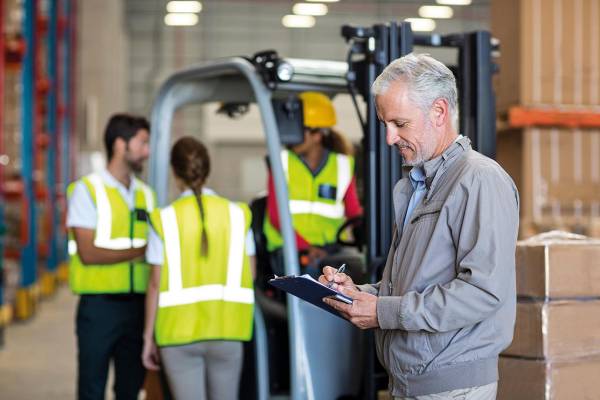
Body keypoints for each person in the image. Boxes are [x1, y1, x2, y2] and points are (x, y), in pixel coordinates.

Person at [320, 53, 519, 400]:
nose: (389, 138)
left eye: (400, 123)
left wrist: (383, 311)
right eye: (385, 124)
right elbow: (416, 283)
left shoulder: (479, 180)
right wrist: (361, 295)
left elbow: (483, 292)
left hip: (452, 388)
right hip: (409, 382)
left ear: (439, 112)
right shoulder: (416, 186)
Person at [142, 136, 255, 400]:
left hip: (177, 333)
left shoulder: (164, 219)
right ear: (207, 169)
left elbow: (155, 284)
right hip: (229, 328)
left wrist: (148, 337)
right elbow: (249, 272)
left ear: (174, 172)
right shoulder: (238, 215)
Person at [66, 113, 156, 400]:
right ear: (120, 144)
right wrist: (143, 251)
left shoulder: (147, 195)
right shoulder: (87, 190)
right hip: (99, 307)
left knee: (130, 390)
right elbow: (88, 253)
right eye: (142, 143)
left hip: (138, 307)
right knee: (92, 389)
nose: (147, 151)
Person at [263, 91, 363, 274]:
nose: (291, 136)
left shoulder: (342, 164)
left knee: (359, 267)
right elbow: (276, 216)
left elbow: (353, 211)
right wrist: (306, 247)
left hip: (329, 250)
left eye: (298, 130)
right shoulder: (281, 161)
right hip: (288, 249)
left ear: (318, 134)